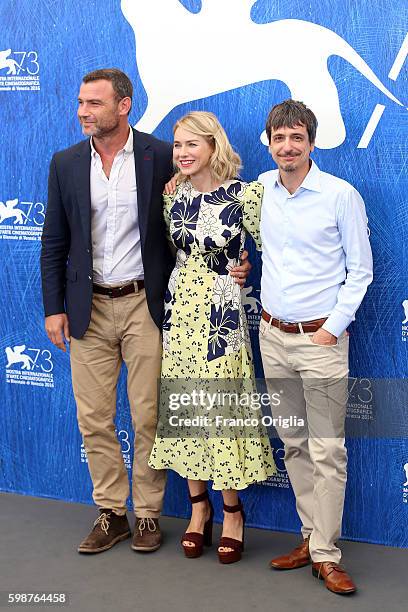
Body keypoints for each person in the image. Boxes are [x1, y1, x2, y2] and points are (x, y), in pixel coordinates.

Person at [40, 69, 251, 555]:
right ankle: (112, 513)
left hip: (146, 305)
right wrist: (54, 307)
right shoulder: (65, 163)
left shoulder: (160, 155)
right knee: (93, 416)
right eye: (80, 102)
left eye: (94, 103)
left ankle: (149, 516)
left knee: (149, 414)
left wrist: (236, 262)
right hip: (86, 305)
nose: (83, 112)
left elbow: (204, 213)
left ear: (124, 105)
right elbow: (54, 241)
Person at [148, 111, 276, 564]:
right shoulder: (170, 197)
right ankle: (199, 511)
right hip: (180, 309)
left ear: (213, 146)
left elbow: (274, 251)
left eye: (191, 145)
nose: (181, 153)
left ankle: (233, 512)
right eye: (177, 145)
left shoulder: (247, 196)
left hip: (222, 311)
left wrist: (247, 269)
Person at [258, 100, 373, 594]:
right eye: (279, 137)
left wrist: (332, 327)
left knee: (328, 449)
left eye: (297, 138)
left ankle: (326, 554)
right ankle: (309, 536)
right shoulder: (258, 190)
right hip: (271, 336)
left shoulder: (340, 195)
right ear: (269, 142)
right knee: (295, 444)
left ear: (311, 142)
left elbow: (360, 270)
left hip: (320, 341)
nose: (288, 146)